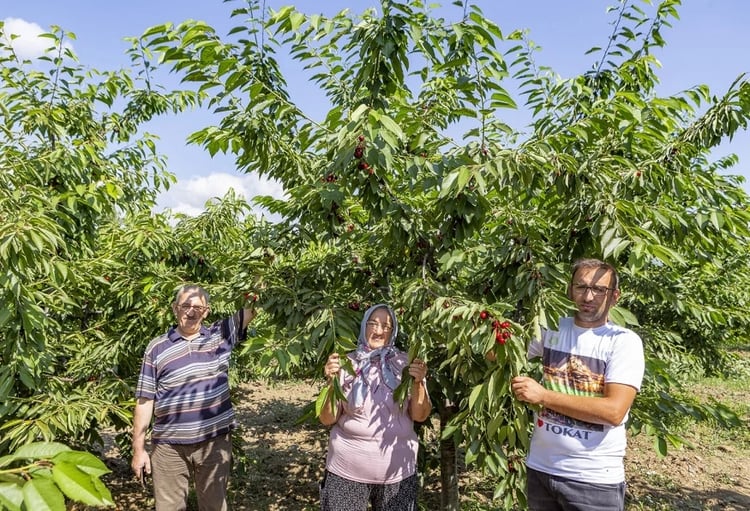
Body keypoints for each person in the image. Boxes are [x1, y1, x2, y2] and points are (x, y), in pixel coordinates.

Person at [510, 258, 645, 511]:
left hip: (593, 479)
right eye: (581, 287)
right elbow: (501, 353)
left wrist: (543, 396)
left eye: (599, 289)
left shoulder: (623, 342)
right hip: (541, 468)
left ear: (614, 296)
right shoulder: (551, 328)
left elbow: (613, 412)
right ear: (570, 290)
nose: (588, 296)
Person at [130, 284, 257, 511]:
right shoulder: (156, 348)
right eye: (185, 305)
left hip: (214, 442)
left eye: (198, 307)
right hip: (169, 447)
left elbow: (253, 307)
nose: (191, 311)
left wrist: (264, 269)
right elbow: (145, 400)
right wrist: (138, 451)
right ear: (174, 309)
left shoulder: (221, 335)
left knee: (214, 506)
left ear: (207, 311)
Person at [319, 304, 432, 511]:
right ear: (364, 326)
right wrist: (330, 383)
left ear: (393, 331)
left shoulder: (406, 364)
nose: (378, 331)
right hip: (346, 471)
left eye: (386, 326)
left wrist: (418, 383)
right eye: (373, 323)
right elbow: (327, 418)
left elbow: (420, 415)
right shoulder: (346, 363)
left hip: (398, 473)